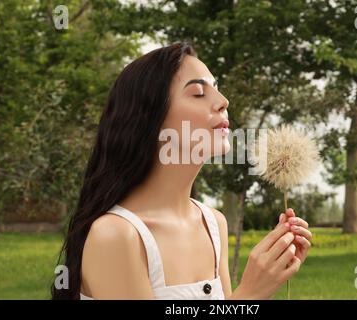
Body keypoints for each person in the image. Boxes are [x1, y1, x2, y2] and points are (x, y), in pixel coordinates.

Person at [51, 42, 312, 300]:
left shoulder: (213, 224)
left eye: (217, 89)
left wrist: (268, 278)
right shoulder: (116, 236)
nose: (223, 101)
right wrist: (251, 293)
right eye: (199, 93)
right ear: (150, 118)